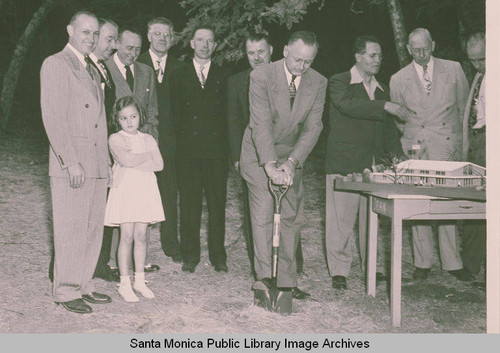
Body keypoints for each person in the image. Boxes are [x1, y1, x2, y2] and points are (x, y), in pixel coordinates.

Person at [239, 31, 326, 299]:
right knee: (265, 213)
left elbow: (313, 128)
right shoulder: (262, 75)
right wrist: (269, 165)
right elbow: (261, 124)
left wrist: (291, 162)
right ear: (285, 50)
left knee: (291, 217)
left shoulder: (318, 82)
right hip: (258, 154)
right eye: (298, 59)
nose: (302, 67)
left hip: (291, 155)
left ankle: (286, 282)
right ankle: (264, 279)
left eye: (308, 62)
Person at [325, 35, 413, 290]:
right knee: (340, 221)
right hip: (344, 162)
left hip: (374, 167)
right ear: (358, 56)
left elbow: (388, 133)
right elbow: (348, 106)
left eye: (380, 55)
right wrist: (384, 105)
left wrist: (400, 161)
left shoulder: (380, 88)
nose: (378, 60)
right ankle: (339, 272)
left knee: (370, 219)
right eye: (373, 55)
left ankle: (372, 267)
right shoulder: (339, 81)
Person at [40, 10, 111, 314]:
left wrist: (106, 163)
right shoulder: (56, 64)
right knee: (70, 228)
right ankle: (66, 290)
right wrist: (70, 161)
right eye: (85, 32)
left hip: (95, 163)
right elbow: (53, 118)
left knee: (92, 228)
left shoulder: (93, 68)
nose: (91, 38)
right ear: (70, 30)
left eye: (95, 33)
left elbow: (101, 121)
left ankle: (84, 284)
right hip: (74, 164)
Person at [389, 28, 471, 281]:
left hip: (447, 146)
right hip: (417, 147)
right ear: (408, 49)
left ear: (433, 44)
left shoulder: (454, 69)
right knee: (419, 203)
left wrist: (462, 147)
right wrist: (411, 139)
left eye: (425, 48)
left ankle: (452, 262)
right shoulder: (398, 79)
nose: (421, 54)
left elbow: (463, 109)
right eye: (416, 50)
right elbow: (399, 120)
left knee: (447, 201)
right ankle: (422, 262)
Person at [170, 26, 230, 273]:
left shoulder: (225, 76)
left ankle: (218, 257)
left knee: (217, 206)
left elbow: (229, 118)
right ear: (192, 44)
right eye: (200, 40)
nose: (205, 44)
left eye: (210, 41)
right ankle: (190, 255)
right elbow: (174, 116)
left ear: (215, 46)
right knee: (189, 205)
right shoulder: (178, 75)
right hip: (188, 153)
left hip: (216, 153)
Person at [106, 27, 161, 273]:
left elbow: (152, 112)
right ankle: (114, 263)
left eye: (138, 49)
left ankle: (139, 263)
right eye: (129, 48)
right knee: (118, 211)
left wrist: (149, 143)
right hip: (114, 147)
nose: (133, 53)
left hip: (143, 144)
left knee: (139, 209)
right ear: (117, 44)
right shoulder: (104, 67)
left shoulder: (146, 72)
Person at [104, 96, 165, 302]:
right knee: (126, 236)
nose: (129, 122)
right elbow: (125, 159)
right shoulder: (115, 138)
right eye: (123, 118)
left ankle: (140, 280)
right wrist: (143, 157)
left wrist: (136, 160)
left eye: (133, 116)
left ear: (140, 116)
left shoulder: (148, 139)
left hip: (145, 188)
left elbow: (159, 164)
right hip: (126, 189)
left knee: (141, 235)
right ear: (117, 120)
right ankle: (124, 282)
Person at [137, 17, 185, 264]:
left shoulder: (181, 67)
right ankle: (136, 246)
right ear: (148, 36)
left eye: (167, 35)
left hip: (170, 142)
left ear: (173, 38)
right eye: (157, 34)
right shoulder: (136, 62)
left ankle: (170, 243)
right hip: (140, 139)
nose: (162, 39)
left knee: (169, 193)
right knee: (137, 192)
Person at [88, 18, 119, 283]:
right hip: (91, 151)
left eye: (114, 39)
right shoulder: (86, 69)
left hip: (106, 150)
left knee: (104, 210)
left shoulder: (104, 69)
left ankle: (99, 264)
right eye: (109, 39)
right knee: (84, 214)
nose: (114, 45)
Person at [461, 32, 486, 289]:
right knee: (473, 201)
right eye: (473, 60)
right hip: (477, 141)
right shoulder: (479, 76)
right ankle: (470, 265)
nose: (477, 64)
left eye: (482, 59)